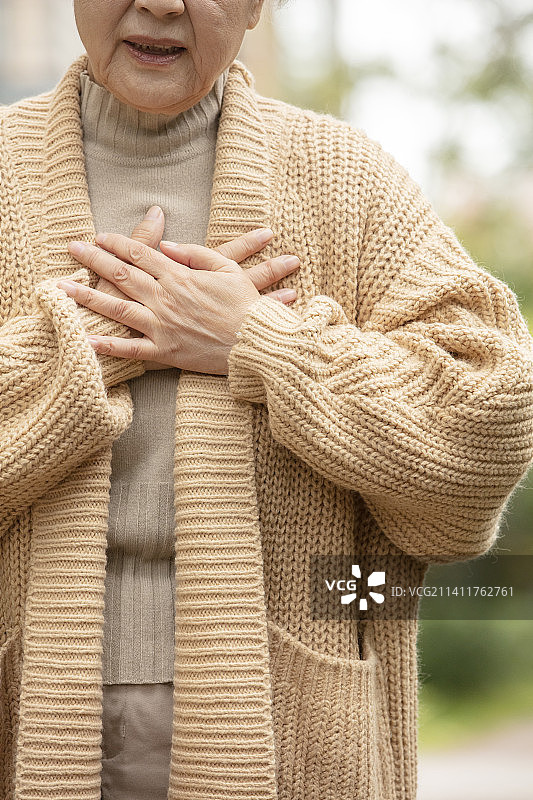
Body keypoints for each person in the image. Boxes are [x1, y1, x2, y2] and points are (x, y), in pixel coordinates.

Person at [1, 1, 532, 799]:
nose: (160, 3)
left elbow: (484, 429)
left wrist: (261, 342)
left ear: (258, 6)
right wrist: (75, 344)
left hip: (297, 729)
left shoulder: (350, 181)